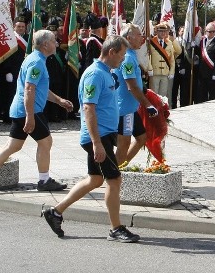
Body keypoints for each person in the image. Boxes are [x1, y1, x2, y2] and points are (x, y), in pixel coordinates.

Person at [42, 35, 141, 242]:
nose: (124, 59)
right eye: (122, 55)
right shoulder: (95, 74)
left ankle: (55, 212)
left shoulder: (107, 72)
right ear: (111, 52)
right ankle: (116, 228)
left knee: (95, 179)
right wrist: (97, 143)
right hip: (98, 136)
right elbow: (88, 108)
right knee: (114, 180)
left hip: (104, 134)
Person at [0, 29, 73, 194]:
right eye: (54, 40)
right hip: (29, 110)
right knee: (46, 142)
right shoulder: (36, 62)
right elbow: (29, 89)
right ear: (45, 44)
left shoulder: (37, 59)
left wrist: (59, 101)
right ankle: (44, 180)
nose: (56, 43)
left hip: (23, 109)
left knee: (13, 145)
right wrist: (30, 116)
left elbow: (40, 88)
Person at [115, 24, 158, 165]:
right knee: (124, 143)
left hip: (131, 108)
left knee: (141, 138)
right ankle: (114, 175)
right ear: (129, 38)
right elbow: (131, 86)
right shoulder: (127, 57)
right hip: (125, 109)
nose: (143, 38)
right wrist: (148, 105)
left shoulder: (132, 54)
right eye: (139, 35)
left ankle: (120, 167)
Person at [149, 22, 180, 100]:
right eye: (160, 31)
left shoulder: (169, 43)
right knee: (154, 94)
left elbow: (172, 59)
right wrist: (149, 68)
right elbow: (148, 57)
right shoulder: (151, 42)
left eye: (165, 31)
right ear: (156, 31)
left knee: (163, 96)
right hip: (155, 72)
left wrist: (172, 72)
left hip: (165, 73)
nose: (163, 33)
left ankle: (162, 111)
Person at [194, 22, 215, 102]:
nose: (211, 33)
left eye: (213, 31)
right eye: (209, 31)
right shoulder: (202, 42)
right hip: (201, 74)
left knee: (212, 97)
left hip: (211, 74)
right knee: (201, 96)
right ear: (205, 31)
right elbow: (198, 54)